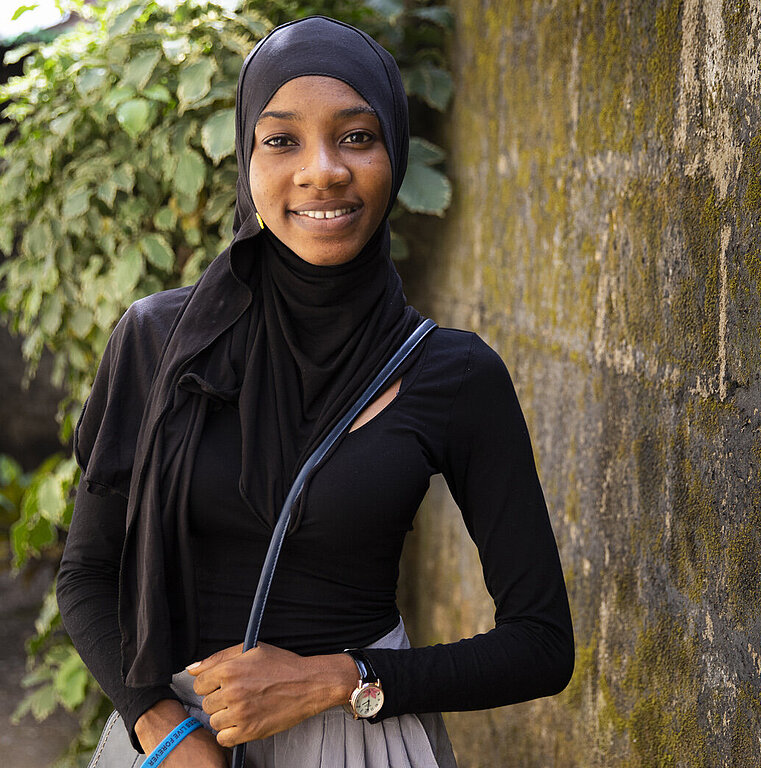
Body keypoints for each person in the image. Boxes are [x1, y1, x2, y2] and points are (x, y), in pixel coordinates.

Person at [56, 15, 574, 768]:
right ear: (247, 159)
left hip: (362, 736)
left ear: (394, 153)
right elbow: (86, 573)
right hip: (179, 742)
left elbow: (542, 644)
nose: (322, 170)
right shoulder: (158, 342)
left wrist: (337, 679)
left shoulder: (453, 374)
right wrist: (163, 728)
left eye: (357, 136)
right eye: (282, 140)